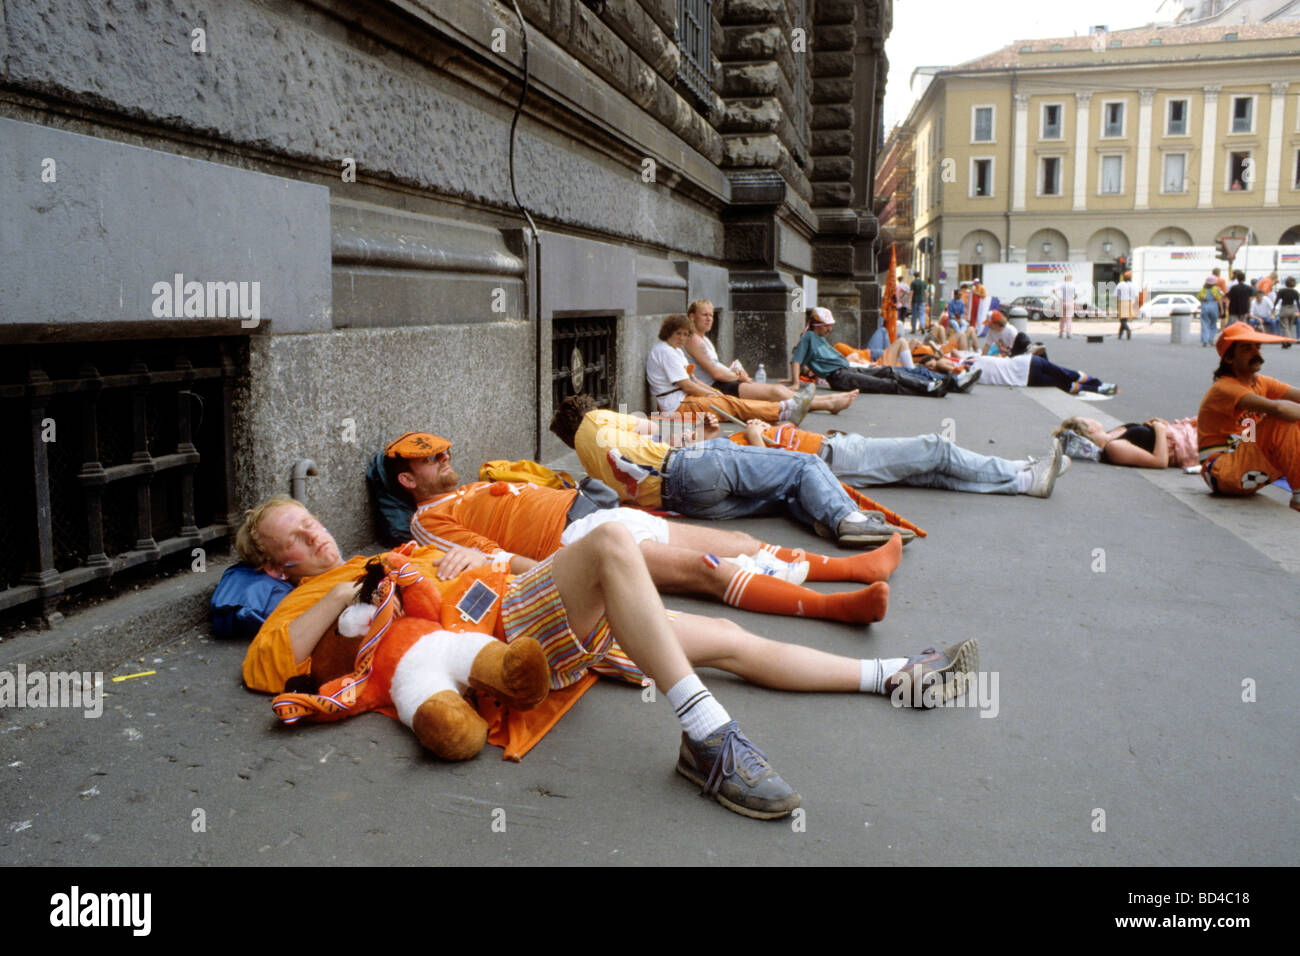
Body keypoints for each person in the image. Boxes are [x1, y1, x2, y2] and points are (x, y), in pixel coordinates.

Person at [239, 496, 979, 819]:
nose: (317, 539)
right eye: (296, 541)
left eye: (312, 524)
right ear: (277, 568)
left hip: (532, 601)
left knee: (727, 643)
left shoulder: (393, 549)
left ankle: (895, 677)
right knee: (612, 542)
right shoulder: (313, 595)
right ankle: (709, 739)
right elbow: (268, 668)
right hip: (509, 640)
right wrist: (344, 591)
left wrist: (465, 556)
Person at [388, 431, 900, 625]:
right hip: (576, 543)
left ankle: (851, 566)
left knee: (742, 543)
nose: (443, 458)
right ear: (410, 480)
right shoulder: (427, 518)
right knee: (710, 571)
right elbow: (491, 559)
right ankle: (836, 608)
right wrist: (568, 574)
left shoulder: (477, 482)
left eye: (443, 451)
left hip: (601, 514)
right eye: (430, 460)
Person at [552, 394, 911, 546]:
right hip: (691, 466)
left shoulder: (586, 466)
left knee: (780, 493)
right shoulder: (596, 419)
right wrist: (698, 431)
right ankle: (847, 520)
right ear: (584, 410)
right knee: (805, 464)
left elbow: (636, 467)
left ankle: (825, 519)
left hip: (687, 501)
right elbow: (652, 429)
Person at [728, 420, 1068, 498]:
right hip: (833, 459)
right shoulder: (726, 451)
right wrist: (757, 435)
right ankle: (1014, 469)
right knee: (935, 448)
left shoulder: (723, 440)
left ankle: (1024, 481)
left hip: (836, 450)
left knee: (932, 473)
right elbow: (764, 472)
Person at [681, 300, 855, 413]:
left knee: (779, 392)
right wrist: (737, 376)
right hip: (718, 387)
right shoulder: (693, 339)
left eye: (711, 315)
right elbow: (715, 373)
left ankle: (828, 399)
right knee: (775, 392)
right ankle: (827, 404)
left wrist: (736, 373)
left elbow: (716, 367)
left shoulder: (704, 340)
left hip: (724, 382)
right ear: (692, 316)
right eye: (705, 315)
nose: (709, 319)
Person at [1197, 322, 1300, 511]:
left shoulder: (1260, 382)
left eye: (1257, 347)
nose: (1256, 353)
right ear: (1229, 358)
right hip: (1222, 471)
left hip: (1246, 459)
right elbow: (1280, 410)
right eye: (1247, 348)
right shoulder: (1224, 388)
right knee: (1283, 422)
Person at [647, 314, 807, 425]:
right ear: (668, 332)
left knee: (728, 401)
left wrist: (714, 392)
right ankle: (780, 410)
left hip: (683, 399)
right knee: (729, 406)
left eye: (685, 334)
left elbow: (693, 379)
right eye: (678, 334)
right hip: (674, 406)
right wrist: (710, 394)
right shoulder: (665, 351)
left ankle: (781, 410)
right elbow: (686, 385)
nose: (682, 338)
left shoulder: (676, 350)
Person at [789, 308, 978, 397]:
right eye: (827, 327)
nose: (830, 330)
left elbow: (803, 361)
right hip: (840, 377)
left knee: (889, 371)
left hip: (847, 370)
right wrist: (796, 382)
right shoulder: (808, 338)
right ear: (818, 326)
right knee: (886, 384)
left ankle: (931, 384)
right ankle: (928, 388)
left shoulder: (818, 339)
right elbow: (796, 360)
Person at [1054, 417, 1200, 469]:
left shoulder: (1111, 435)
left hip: (1180, 431)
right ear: (1090, 429)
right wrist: (1159, 430)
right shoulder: (1114, 448)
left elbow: (1142, 439)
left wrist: (1150, 424)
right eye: (1086, 418)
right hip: (1185, 444)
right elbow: (1160, 461)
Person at [969, 350, 1118, 395]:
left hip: (1025, 379)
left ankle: (1098, 388)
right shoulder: (976, 359)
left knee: (1062, 384)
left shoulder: (972, 375)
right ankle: (1097, 383)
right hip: (1027, 361)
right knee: (1067, 374)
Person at [1197, 275, 1225, 347]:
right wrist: (1222, 309)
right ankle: (1211, 339)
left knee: (1204, 323)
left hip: (1205, 305)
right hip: (1213, 305)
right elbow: (1219, 299)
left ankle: (1204, 340)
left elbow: (1199, 298)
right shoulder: (1216, 289)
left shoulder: (1203, 290)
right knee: (1213, 323)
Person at [1273, 276, 1298, 347]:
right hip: (1293, 309)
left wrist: (1273, 308)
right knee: (1289, 326)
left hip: (1284, 308)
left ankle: (1288, 340)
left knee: (1284, 326)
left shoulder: (1282, 291)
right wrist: (1298, 311)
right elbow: (1297, 302)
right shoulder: (1295, 292)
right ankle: (1285, 342)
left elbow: (1277, 300)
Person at [1056, 273, 1078, 339]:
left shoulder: (1063, 285)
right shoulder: (1073, 285)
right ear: (1071, 279)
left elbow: (1054, 291)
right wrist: (1072, 299)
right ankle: (1068, 333)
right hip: (1070, 302)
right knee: (1069, 319)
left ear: (1065, 278)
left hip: (1063, 302)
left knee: (1062, 319)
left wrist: (1059, 297)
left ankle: (1061, 333)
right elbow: (1076, 295)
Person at [1115, 271, 1136, 340]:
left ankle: (1128, 330)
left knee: (1122, 320)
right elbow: (1135, 295)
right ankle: (1120, 335)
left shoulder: (1120, 284)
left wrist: (1116, 304)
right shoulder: (1132, 285)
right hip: (1130, 302)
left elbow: (1116, 295)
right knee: (1124, 319)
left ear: (1124, 277)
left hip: (1123, 302)